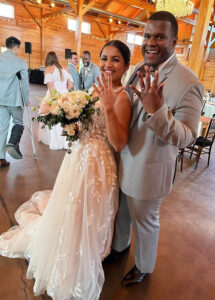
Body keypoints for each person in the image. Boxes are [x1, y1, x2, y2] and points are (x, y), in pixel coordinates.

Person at [0, 40, 131, 300]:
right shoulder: (94, 88)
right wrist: (70, 123)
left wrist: (107, 105)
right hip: (77, 158)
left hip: (99, 163)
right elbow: (86, 124)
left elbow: (118, 142)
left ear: (126, 65)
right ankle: (67, 246)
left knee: (90, 211)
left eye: (115, 59)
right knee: (71, 207)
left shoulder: (122, 97)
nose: (107, 64)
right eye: (104, 58)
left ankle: (85, 253)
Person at [105, 11, 204, 287]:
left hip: (150, 169)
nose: (151, 42)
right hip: (124, 160)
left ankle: (144, 266)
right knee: (122, 211)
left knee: (145, 221)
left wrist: (158, 111)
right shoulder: (137, 68)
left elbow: (187, 137)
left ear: (174, 41)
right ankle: (120, 248)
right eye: (147, 35)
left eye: (159, 36)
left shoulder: (189, 82)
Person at [0, 36, 29, 167]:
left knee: (2, 128)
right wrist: (26, 99)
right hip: (15, 99)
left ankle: (1, 158)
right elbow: (25, 84)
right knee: (18, 122)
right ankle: (12, 143)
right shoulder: (21, 62)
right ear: (16, 47)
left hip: (1, 100)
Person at [38, 51, 73, 150]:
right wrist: (64, 91)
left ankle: (55, 142)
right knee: (65, 118)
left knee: (52, 117)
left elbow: (51, 87)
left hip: (54, 95)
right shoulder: (65, 68)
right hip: (65, 95)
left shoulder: (49, 69)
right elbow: (71, 84)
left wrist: (55, 99)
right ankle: (66, 141)